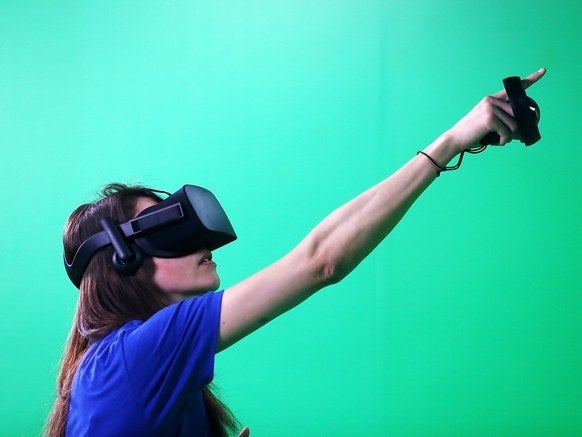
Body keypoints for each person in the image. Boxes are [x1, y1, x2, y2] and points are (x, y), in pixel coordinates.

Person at [45, 68, 546, 436]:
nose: (202, 243)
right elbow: (321, 260)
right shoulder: (133, 357)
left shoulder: (121, 366)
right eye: (168, 230)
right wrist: (450, 142)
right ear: (124, 260)